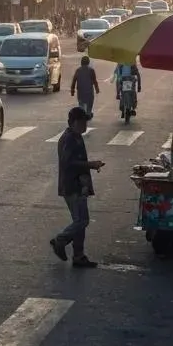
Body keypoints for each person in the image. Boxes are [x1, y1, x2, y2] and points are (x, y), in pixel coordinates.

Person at [50, 106, 104, 268]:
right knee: (82, 221)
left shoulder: (77, 137)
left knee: (79, 221)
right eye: (81, 122)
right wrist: (91, 165)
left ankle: (79, 255)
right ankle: (60, 240)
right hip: (72, 185)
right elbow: (68, 163)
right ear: (72, 122)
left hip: (80, 185)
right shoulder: (68, 139)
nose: (85, 126)